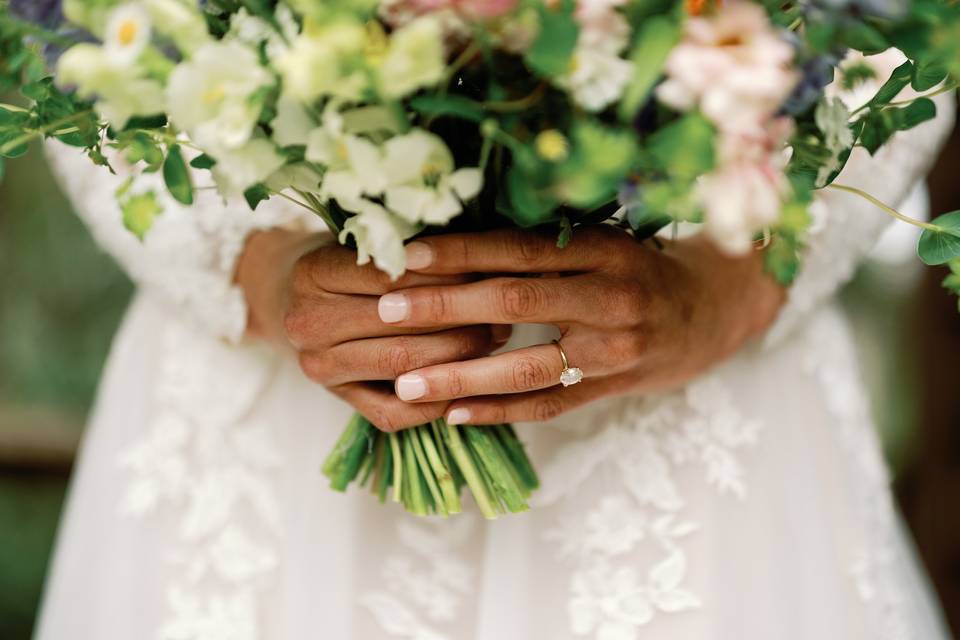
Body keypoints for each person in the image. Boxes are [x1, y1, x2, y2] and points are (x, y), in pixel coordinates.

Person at [34, 65, 955, 639]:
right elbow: (82, 41)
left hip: (686, 389)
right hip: (263, 410)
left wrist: (734, 281)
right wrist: (253, 262)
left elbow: (896, 37)